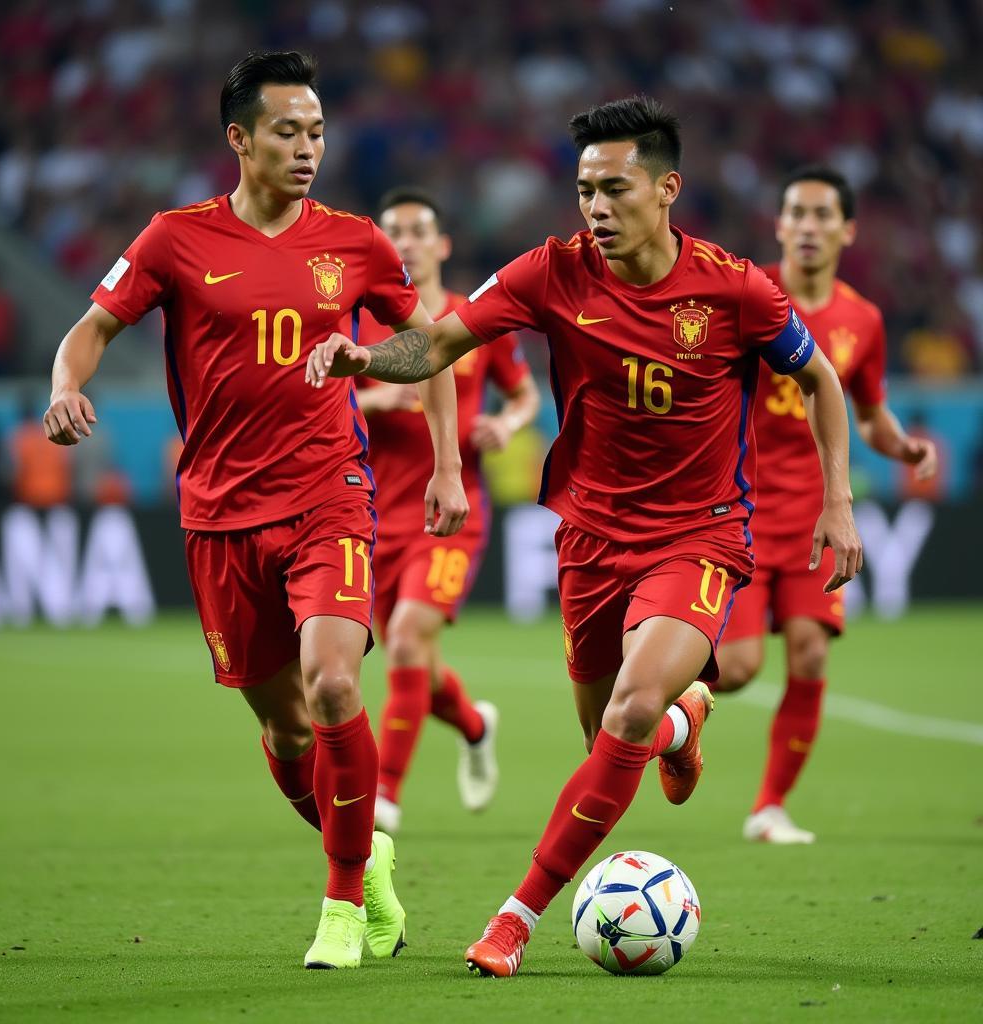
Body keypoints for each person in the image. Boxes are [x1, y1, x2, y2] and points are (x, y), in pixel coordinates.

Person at [306, 96, 863, 977]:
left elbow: (824, 380)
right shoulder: (550, 272)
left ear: (667, 188)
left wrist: (839, 502)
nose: (595, 208)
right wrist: (366, 358)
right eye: (583, 191)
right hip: (591, 542)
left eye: (614, 189)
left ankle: (516, 916)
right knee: (613, 730)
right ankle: (686, 727)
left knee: (627, 712)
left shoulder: (734, 287)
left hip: (700, 535)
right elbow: (439, 342)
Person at [42, 51, 470, 971]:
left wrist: (445, 467)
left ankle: (344, 904)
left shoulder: (356, 242)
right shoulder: (173, 238)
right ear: (239, 138)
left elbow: (427, 344)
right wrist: (64, 386)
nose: (307, 147)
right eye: (287, 130)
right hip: (221, 517)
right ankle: (369, 855)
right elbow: (91, 329)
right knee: (283, 729)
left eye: (317, 131)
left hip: (329, 495)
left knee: (333, 684)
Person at [714, 166, 938, 844]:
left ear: (847, 230)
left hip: (817, 514)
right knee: (736, 668)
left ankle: (769, 806)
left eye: (821, 216)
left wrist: (900, 446)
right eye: (796, 214)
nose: (808, 227)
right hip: (742, 508)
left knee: (810, 655)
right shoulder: (749, 296)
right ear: (779, 225)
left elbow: (867, 413)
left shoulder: (862, 320)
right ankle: (680, 720)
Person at [351, 187, 540, 835]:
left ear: (441, 244)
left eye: (417, 230)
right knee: (417, 666)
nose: (405, 241)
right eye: (393, 231)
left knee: (406, 639)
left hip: (451, 511)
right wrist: (371, 404)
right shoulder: (358, 323)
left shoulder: (471, 320)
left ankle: (386, 796)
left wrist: (507, 424)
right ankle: (476, 724)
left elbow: (524, 394)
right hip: (374, 517)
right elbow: (322, 399)